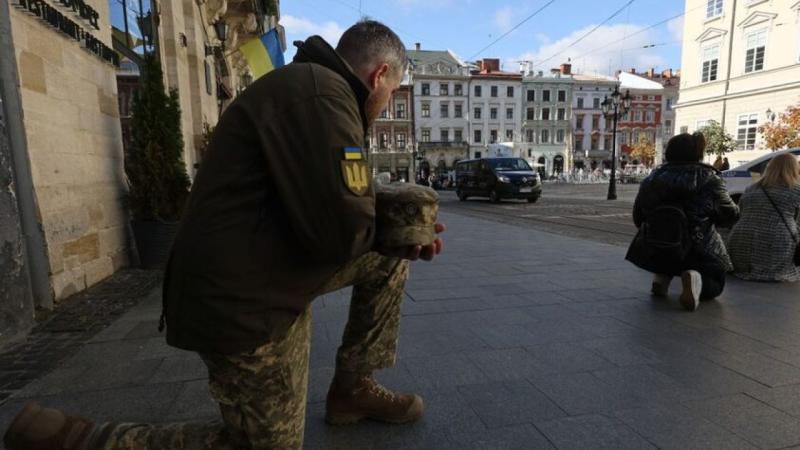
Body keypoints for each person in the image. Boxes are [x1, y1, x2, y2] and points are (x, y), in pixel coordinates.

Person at [4, 20, 445, 450]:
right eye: (389, 94)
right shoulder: (323, 96)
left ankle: (353, 387)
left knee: (388, 259)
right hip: (239, 298)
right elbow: (338, 234)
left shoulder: (315, 89)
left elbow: (331, 199)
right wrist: (389, 232)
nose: (386, 105)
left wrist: (395, 233)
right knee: (263, 445)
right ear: (380, 74)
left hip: (261, 270)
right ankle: (78, 438)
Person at [625, 133, 739, 311]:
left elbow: (638, 217)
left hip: (658, 246)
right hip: (699, 247)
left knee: (668, 253)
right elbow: (730, 214)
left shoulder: (651, 178)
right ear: (697, 153)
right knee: (715, 286)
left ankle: (662, 277)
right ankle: (693, 276)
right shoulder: (710, 178)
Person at [727, 153, 800, 282]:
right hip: (776, 246)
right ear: (794, 169)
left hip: (739, 244)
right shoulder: (796, 190)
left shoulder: (750, 189)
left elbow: (741, 213)